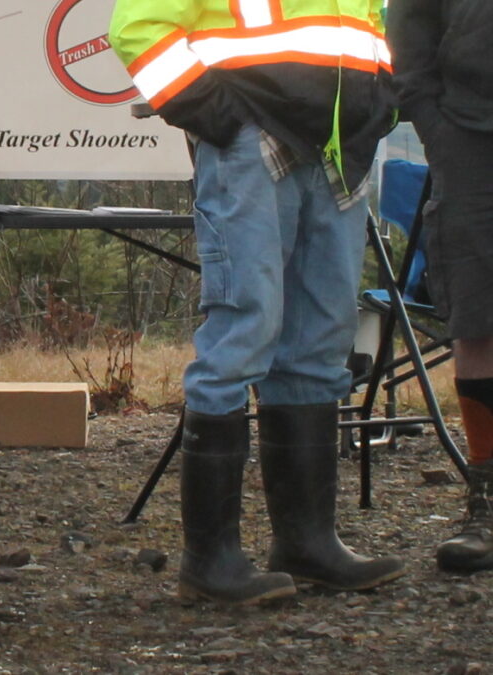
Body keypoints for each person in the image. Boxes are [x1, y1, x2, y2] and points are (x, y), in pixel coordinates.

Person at [109, 0, 406, 603]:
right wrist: (219, 117)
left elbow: (368, 25)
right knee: (246, 328)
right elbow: (136, 26)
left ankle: (307, 546)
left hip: (342, 147)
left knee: (322, 341)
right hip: (251, 141)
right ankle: (210, 561)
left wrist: (381, 103)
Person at [387, 1, 493, 573]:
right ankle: (488, 504)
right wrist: (435, 125)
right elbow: (410, 26)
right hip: (471, 139)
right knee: (478, 321)